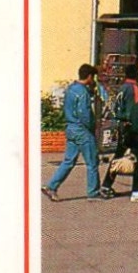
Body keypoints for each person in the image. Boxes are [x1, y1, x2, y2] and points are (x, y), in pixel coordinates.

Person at [44, 64, 102, 201]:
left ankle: (52, 186)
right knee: (92, 161)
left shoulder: (71, 89)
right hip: (82, 129)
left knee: (69, 160)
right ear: (89, 77)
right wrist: (92, 126)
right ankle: (93, 192)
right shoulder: (82, 93)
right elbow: (85, 113)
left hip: (71, 127)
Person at [99, 66, 138, 196]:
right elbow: (136, 109)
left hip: (121, 124)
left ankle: (107, 184)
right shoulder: (134, 88)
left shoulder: (122, 88)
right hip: (131, 125)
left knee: (119, 154)